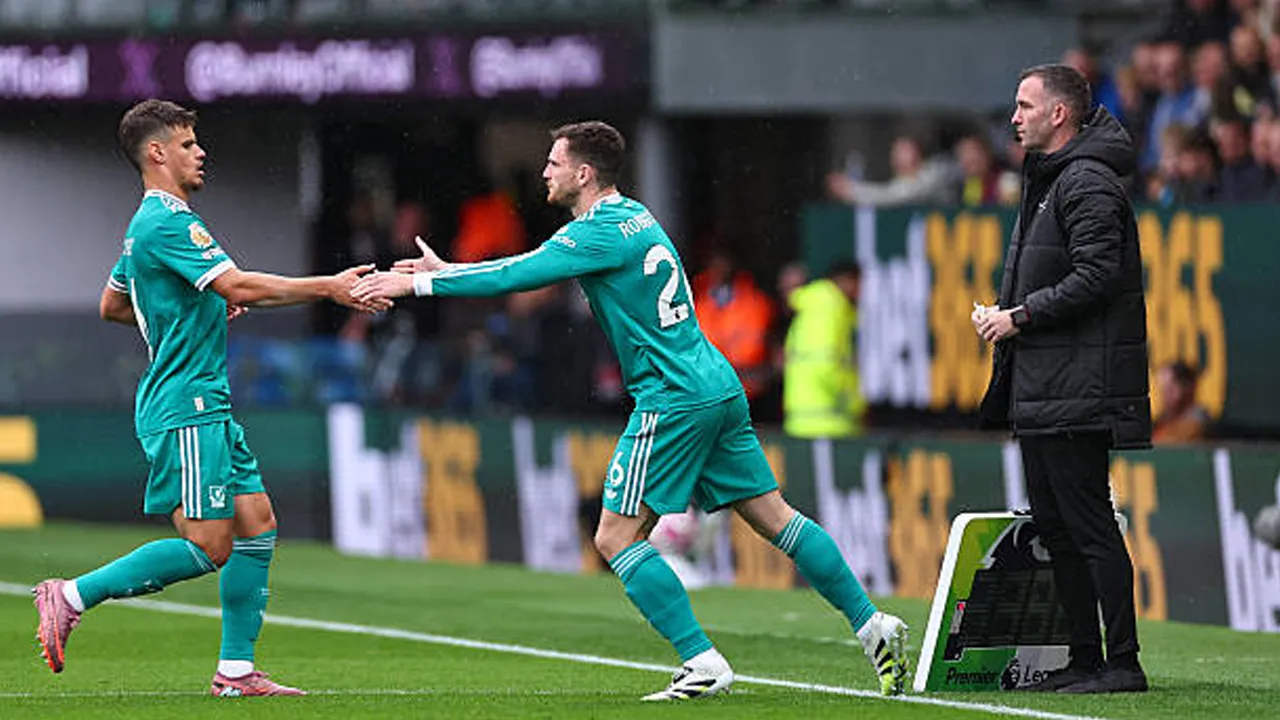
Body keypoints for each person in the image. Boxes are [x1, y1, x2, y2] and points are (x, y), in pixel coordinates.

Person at [353, 121, 909, 701]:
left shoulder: (597, 233)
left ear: (583, 174)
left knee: (617, 536)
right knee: (776, 518)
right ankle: (875, 627)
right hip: (713, 383)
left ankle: (702, 661)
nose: (545, 172)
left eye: (554, 163)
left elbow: (517, 274)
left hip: (672, 397)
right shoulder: (635, 216)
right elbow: (522, 266)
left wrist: (419, 288)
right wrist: (447, 272)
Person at [32, 99, 384, 697]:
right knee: (209, 544)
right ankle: (70, 595)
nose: (202, 152)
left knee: (257, 524)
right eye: (190, 143)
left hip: (205, 402)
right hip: (185, 403)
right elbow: (239, 282)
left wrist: (198, 304)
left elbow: (113, 304)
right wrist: (329, 286)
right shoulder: (168, 221)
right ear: (157, 153)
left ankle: (237, 672)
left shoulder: (145, 227)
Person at [974, 65, 1152, 694]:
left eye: (1025, 105)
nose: (1014, 116)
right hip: (1047, 385)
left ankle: (1122, 662)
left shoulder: (1086, 182)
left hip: (1080, 387)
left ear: (1059, 115)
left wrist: (1018, 316)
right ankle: (1084, 659)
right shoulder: (1049, 179)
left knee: (1089, 526)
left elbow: (1099, 273)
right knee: (1057, 527)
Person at [782, 261, 865, 439]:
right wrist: (854, 402)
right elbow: (825, 364)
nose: (860, 292)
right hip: (827, 423)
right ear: (847, 281)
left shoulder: (817, 306)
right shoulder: (828, 307)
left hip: (806, 419)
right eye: (858, 284)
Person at [1151, 360, 1211, 443]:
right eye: (1162, 389)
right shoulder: (1162, 421)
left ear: (1188, 387)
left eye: (1169, 389)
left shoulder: (1197, 420)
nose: (1164, 395)